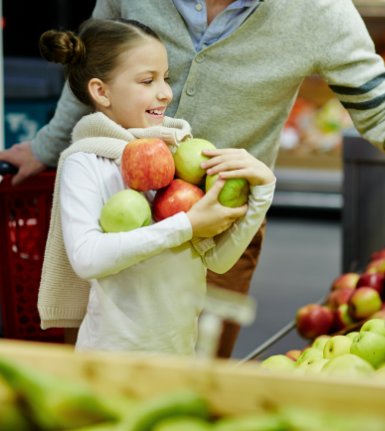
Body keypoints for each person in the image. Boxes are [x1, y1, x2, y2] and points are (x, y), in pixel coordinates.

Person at [0, 0, 385, 357]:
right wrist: (45, 149)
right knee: (98, 370)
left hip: (218, 229)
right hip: (111, 214)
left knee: (194, 384)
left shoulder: (317, 5)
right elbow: (92, 70)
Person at [36, 18, 275, 353]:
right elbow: (88, 258)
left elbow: (218, 261)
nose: (165, 92)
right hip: (113, 360)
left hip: (180, 353)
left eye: (165, 78)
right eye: (147, 80)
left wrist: (263, 191)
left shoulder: (176, 156)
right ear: (100, 91)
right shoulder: (86, 162)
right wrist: (186, 225)